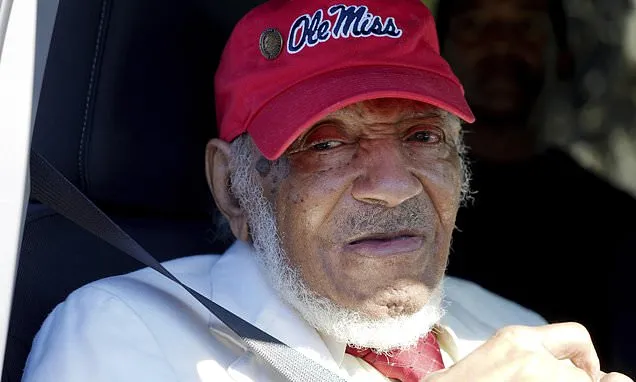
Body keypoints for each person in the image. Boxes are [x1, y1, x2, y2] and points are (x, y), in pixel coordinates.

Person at [21, 0, 633, 381]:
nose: (393, 187)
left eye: (422, 135)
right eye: (327, 143)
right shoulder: (120, 333)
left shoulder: (517, 330)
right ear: (234, 189)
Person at [435, 0, 636, 372]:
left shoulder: (614, 220)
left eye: (525, 27)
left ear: (562, 54)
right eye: (474, 27)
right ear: (436, 52)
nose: (499, 44)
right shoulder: (407, 201)